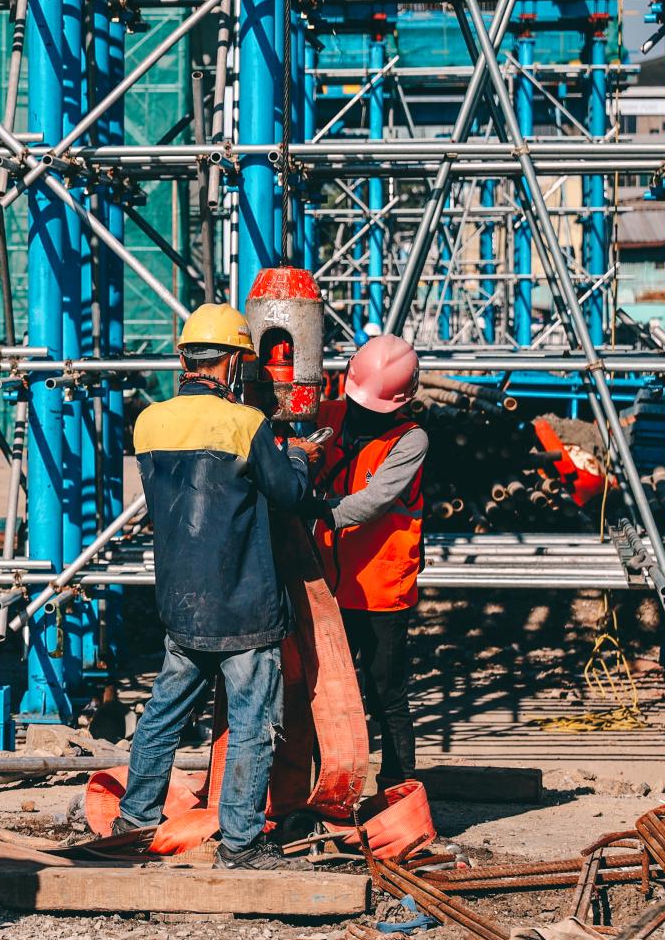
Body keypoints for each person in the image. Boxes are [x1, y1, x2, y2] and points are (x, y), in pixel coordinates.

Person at [106, 302, 319, 870]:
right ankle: (241, 844)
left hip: (181, 603)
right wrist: (298, 456)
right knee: (252, 725)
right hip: (244, 606)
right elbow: (289, 496)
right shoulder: (245, 425)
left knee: (162, 715)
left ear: (184, 357)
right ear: (229, 363)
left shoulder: (148, 423)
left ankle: (134, 819)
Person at [303, 334, 426, 790]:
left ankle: (397, 791)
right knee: (321, 693)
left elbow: (370, 503)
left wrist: (306, 507)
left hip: (379, 592)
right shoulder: (329, 416)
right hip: (328, 585)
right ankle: (319, 786)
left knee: (385, 695)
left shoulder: (411, 440)